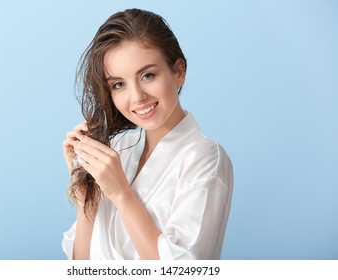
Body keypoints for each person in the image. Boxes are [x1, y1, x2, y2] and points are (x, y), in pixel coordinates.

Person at [62, 8, 233, 260]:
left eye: (147, 75)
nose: (137, 97)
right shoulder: (116, 149)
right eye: (119, 84)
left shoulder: (206, 158)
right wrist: (86, 194)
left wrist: (121, 193)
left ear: (179, 71)